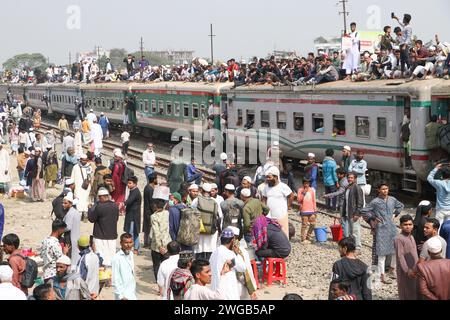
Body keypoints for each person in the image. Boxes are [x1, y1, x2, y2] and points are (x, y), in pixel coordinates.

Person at [360, 182, 403, 284]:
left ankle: (392, 269)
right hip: (381, 229)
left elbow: (400, 206)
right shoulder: (375, 202)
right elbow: (364, 210)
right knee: (381, 253)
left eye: (387, 189)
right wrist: (373, 218)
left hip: (392, 228)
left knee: (395, 250)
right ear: (378, 190)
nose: (385, 191)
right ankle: (382, 275)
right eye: (383, 189)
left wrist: (395, 214)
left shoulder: (392, 199)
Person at [209, 228, 247, 300]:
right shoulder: (229, 254)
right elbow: (242, 267)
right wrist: (237, 254)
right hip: (227, 291)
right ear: (232, 240)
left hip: (215, 290)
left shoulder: (214, 253)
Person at [88, 188, 119, 268]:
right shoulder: (115, 206)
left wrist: (90, 209)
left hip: (100, 236)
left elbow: (91, 219)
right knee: (111, 257)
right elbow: (116, 219)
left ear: (101, 197)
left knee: (100, 258)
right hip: (112, 236)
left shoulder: (99, 207)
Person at [261, 166, 294, 238]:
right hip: (269, 216)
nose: (267, 179)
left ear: (276, 177)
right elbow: (264, 199)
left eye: (269, 177)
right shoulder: (266, 187)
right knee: (271, 234)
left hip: (281, 215)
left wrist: (288, 206)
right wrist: (264, 211)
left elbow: (291, 196)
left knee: (283, 234)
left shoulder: (283, 186)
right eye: (266, 177)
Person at [191, 183, 220, 260]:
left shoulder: (196, 200)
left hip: (199, 231)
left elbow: (191, 214)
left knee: (199, 252)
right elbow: (219, 217)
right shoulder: (215, 201)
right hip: (211, 232)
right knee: (209, 255)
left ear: (201, 190)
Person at [394, 215, 420, 300]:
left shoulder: (411, 237)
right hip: (405, 271)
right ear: (401, 226)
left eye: (410, 224)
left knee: (414, 290)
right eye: (405, 224)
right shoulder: (399, 239)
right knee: (406, 291)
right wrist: (407, 270)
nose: (408, 227)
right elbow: (400, 256)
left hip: (414, 269)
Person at [150, 194, 172, 280]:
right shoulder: (167, 213)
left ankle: (159, 283)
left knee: (156, 265)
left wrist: (160, 246)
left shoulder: (154, 216)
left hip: (156, 246)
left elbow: (156, 232)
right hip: (167, 242)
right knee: (166, 264)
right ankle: (167, 280)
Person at [112, 233, 137, 300]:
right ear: (121, 243)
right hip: (123, 295)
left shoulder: (131, 254)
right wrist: (121, 296)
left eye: (130, 242)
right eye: (126, 242)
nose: (128, 245)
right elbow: (115, 278)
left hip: (132, 292)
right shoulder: (116, 258)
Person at [62, 192, 82, 269]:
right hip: (75, 236)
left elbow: (68, 227)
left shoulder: (70, 213)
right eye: (63, 203)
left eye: (65, 203)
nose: (63, 205)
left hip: (70, 238)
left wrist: (59, 229)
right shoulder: (75, 211)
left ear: (70, 204)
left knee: (70, 256)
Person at [123, 176, 142, 254]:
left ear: (135, 183)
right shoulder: (133, 190)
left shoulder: (135, 192)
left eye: (130, 183)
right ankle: (135, 247)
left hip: (133, 216)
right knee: (133, 232)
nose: (128, 185)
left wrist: (122, 204)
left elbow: (129, 201)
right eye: (128, 183)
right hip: (131, 215)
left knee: (132, 232)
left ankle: (135, 248)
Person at [71, 154, 92, 220]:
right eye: (83, 160)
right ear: (80, 160)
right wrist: (73, 185)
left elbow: (90, 177)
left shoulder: (89, 167)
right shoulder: (75, 167)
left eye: (86, 160)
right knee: (78, 200)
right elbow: (72, 177)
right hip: (78, 187)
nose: (84, 161)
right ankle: (79, 215)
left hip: (86, 187)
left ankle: (85, 213)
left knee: (86, 199)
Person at [297, 178, 317, 243]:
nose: (306, 185)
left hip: (311, 210)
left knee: (313, 224)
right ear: (303, 183)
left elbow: (314, 200)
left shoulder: (312, 190)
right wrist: (303, 193)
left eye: (307, 183)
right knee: (304, 225)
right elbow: (299, 200)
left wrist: (315, 209)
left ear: (309, 184)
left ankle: (308, 236)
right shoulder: (300, 190)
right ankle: (303, 239)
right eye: (305, 183)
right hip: (304, 210)